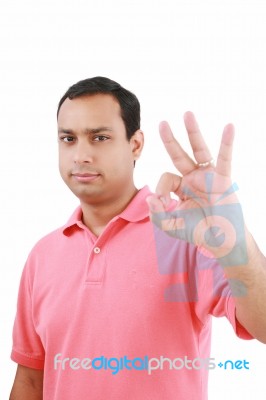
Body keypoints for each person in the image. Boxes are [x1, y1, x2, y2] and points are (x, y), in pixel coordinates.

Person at [9, 77, 266, 400]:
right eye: (68, 138)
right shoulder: (42, 256)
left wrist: (236, 242)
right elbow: (31, 379)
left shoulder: (185, 232)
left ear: (135, 145)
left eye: (99, 137)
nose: (81, 155)